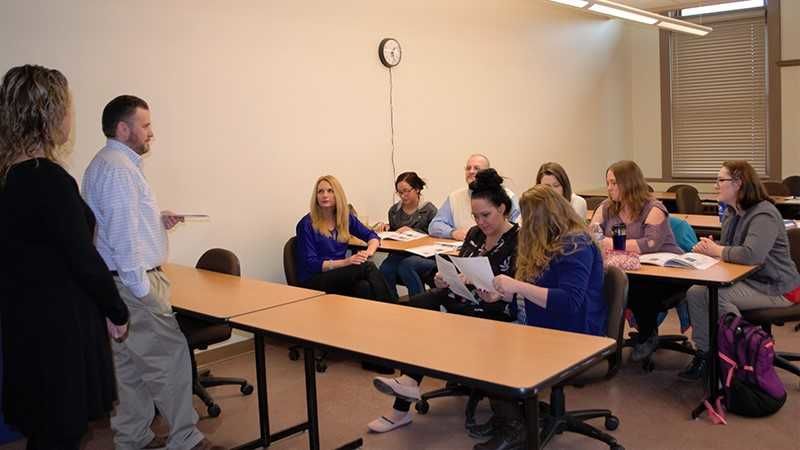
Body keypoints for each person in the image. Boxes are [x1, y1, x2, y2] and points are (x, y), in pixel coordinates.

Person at [0, 65, 129, 450]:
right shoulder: (50, 181)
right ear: (49, 115)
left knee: (42, 427)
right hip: (59, 330)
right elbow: (82, 258)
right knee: (61, 430)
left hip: (20, 322)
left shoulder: (8, 179)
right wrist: (116, 310)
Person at [82, 95, 222, 450]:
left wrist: (155, 221)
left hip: (117, 281)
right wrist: (144, 291)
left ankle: (134, 439)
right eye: (145, 125)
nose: (151, 133)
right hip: (133, 282)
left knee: (128, 371)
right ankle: (186, 440)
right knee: (171, 361)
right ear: (123, 128)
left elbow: (117, 228)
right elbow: (124, 240)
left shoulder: (106, 163)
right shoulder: (118, 170)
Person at [367, 169, 519, 433]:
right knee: (409, 311)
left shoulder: (519, 239)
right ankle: (406, 388)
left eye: (486, 215)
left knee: (433, 324)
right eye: (475, 216)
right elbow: (462, 265)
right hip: (460, 297)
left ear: (503, 208)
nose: (480, 222)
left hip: (495, 309)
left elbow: (522, 287)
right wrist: (445, 278)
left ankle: (403, 397)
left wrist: (500, 292)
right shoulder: (474, 234)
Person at [466, 184, 607, 450]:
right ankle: (507, 418)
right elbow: (539, 293)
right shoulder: (551, 241)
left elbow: (568, 301)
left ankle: (515, 427)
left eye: (527, 216)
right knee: (483, 344)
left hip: (575, 332)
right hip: (547, 323)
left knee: (495, 354)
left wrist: (518, 287)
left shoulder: (576, 243)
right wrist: (503, 295)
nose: (523, 223)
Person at [680, 161, 800, 380]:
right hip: (751, 281)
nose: (716, 185)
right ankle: (706, 353)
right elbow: (729, 251)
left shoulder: (764, 214)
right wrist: (710, 250)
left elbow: (751, 255)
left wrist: (718, 250)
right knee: (695, 292)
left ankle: (739, 355)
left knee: (718, 296)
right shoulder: (733, 213)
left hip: (777, 288)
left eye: (720, 180)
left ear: (738, 184)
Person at [590, 160, 685, 363]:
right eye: (608, 182)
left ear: (629, 183)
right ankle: (603, 343)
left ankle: (647, 334)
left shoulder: (653, 208)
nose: (609, 188)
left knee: (635, 288)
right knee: (606, 285)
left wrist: (609, 243)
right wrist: (608, 241)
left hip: (665, 274)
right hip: (628, 270)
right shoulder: (606, 207)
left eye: (614, 183)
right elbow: (592, 235)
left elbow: (650, 243)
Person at [295, 175, 396, 302]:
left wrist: (368, 252)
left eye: (330, 191)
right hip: (314, 279)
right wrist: (347, 262)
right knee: (367, 267)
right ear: (316, 197)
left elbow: (372, 236)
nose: (325, 195)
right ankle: (392, 309)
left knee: (364, 288)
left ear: (338, 195)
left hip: (338, 274)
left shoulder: (345, 218)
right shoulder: (306, 224)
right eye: (320, 191)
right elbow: (311, 264)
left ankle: (374, 318)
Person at [428, 154, 520, 240]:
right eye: (468, 168)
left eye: (477, 168)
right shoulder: (455, 197)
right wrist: (453, 233)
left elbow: (519, 227)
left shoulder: (507, 196)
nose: (471, 171)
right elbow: (434, 225)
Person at [376, 171, 438, 297]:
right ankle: (391, 304)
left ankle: (419, 304)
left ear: (417, 189)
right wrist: (386, 230)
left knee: (406, 267)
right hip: (400, 253)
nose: (403, 196)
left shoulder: (429, 210)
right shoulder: (394, 211)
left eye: (407, 191)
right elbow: (394, 235)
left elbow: (436, 236)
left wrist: (414, 232)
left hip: (424, 254)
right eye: (400, 192)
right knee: (385, 269)